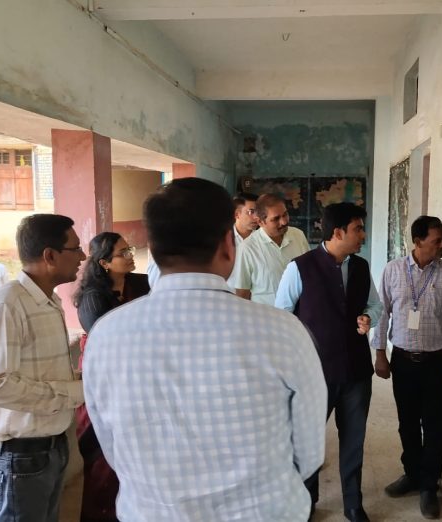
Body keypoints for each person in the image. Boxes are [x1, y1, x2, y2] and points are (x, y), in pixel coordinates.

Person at [83, 178, 327, 521]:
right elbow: (309, 455)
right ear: (228, 246)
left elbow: (111, 447)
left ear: (152, 248)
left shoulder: (106, 336)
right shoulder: (284, 332)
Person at [0, 214, 87, 522]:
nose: (82, 256)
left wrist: (85, 379)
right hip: (18, 458)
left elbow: (41, 373)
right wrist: (78, 391)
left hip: (48, 448)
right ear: (50, 255)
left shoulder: (47, 301)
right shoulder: (8, 304)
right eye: (75, 248)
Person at [275, 202, 383, 522]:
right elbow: (282, 317)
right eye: (358, 229)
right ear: (338, 232)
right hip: (313, 373)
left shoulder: (360, 267)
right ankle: (306, 501)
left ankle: (353, 504)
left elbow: (375, 305)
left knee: (354, 440)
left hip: (356, 371)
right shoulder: (300, 268)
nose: (363, 235)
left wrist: (368, 318)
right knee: (307, 441)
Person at [372, 216, 442, 520]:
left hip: (438, 361)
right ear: (417, 241)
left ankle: (429, 485)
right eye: (437, 240)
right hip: (403, 360)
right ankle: (412, 474)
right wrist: (379, 353)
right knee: (407, 423)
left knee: (435, 424)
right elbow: (382, 313)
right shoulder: (393, 270)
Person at [72, 232, 150, 522]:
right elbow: (107, 344)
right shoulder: (93, 298)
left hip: (137, 382)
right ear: (104, 262)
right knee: (102, 463)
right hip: (106, 385)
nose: (130, 256)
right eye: (123, 253)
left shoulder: (142, 284)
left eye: (130, 249)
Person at [233, 193, 310, 305]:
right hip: (266, 314)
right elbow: (242, 293)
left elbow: (310, 273)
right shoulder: (247, 248)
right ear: (260, 222)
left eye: (285, 214)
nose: (284, 222)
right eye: (276, 219)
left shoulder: (298, 235)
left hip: (300, 312)